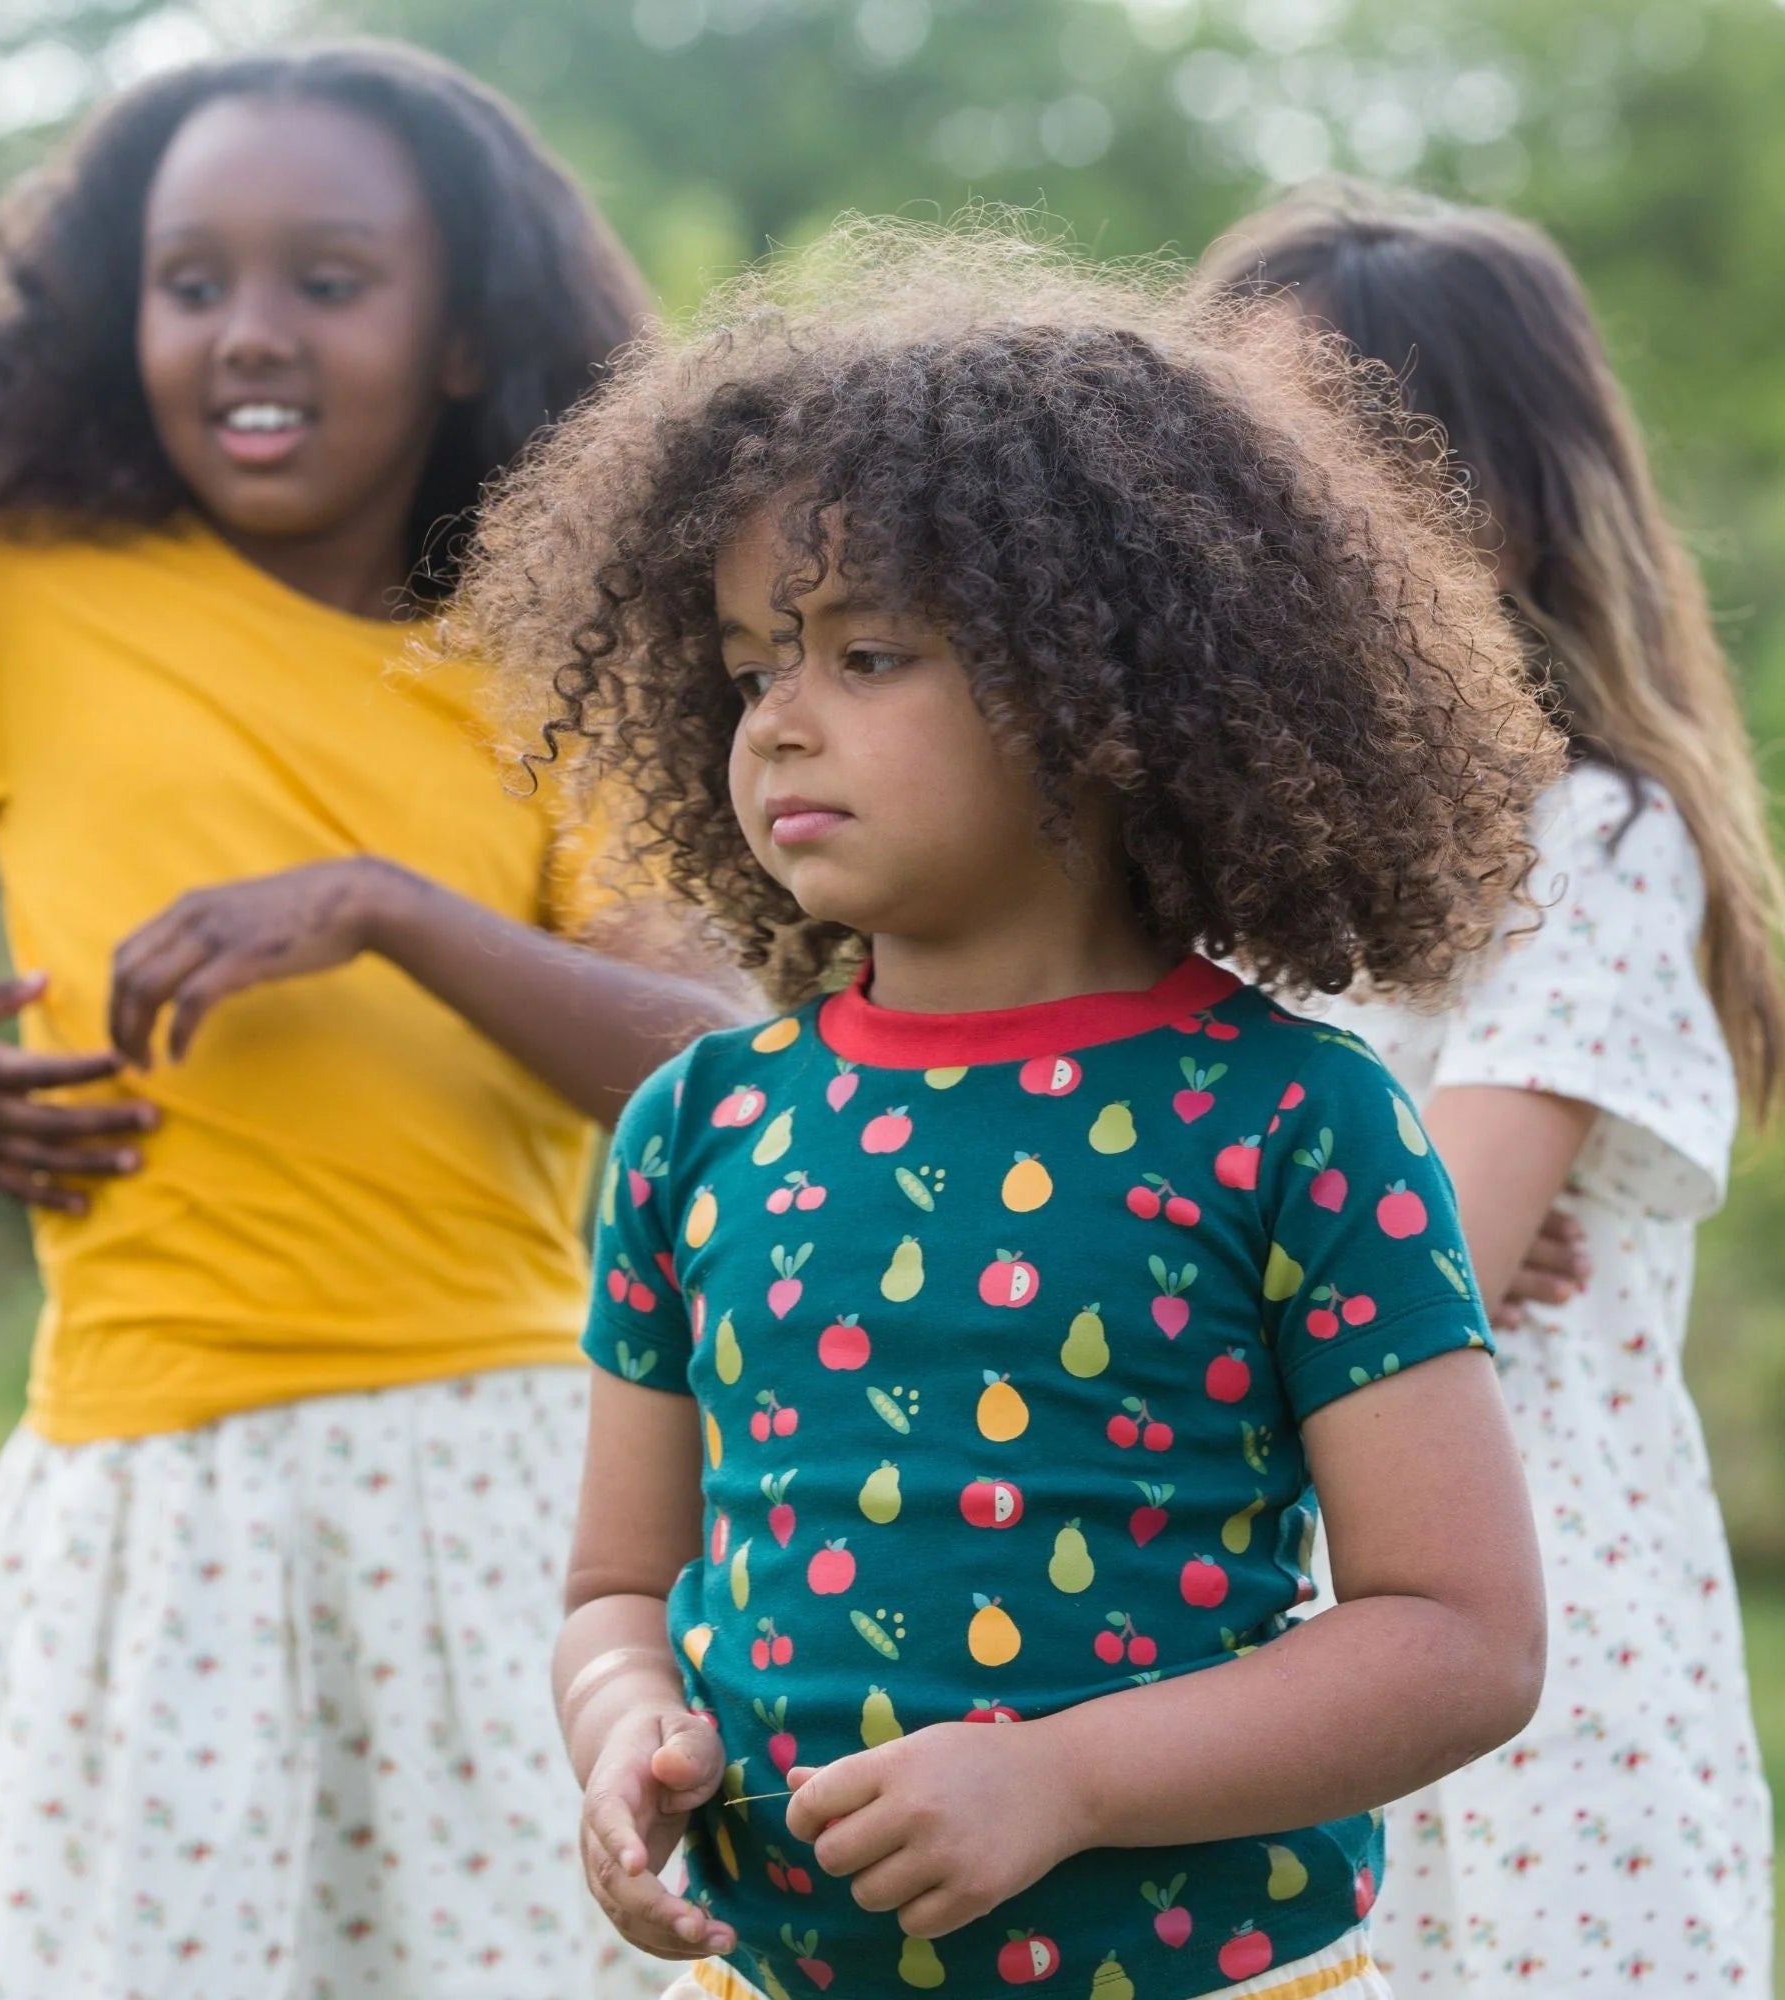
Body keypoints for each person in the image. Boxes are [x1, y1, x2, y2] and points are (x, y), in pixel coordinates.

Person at [456, 218, 1558, 2000]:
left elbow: (1461, 1637)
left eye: (864, 655)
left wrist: (1062, 1779)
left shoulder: (1295, 1121)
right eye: (750, 668)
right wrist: (625, 1725)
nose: (778, 725)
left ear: (1106, 685)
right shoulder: (698, 1126)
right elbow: (616, 1588)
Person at [0, 42, 738, 2000]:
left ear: (462, 336)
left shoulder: (557, 659)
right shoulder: (13, 604)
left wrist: (386, 910)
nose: (246, 331)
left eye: (326, 276)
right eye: (190, 277)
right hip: (149, 1500)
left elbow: (702, 1058)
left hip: (503, 1489)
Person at [1200, 182, 1780, 1992]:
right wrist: (1328, 1213)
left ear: (1502, 508)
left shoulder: (1585, 833)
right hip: (1232, 1605)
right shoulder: (1183, 862)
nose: (1249, 524)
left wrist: (1320, 1219)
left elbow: (1424, 1262)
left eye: (1317, 467)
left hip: (1522, 1645)